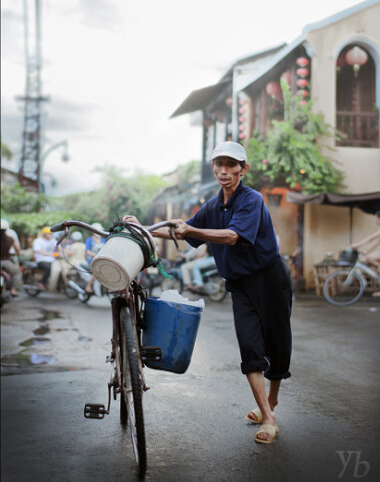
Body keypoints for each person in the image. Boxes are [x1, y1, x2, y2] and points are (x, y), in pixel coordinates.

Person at [123, 141, 292, 445]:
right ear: (213, 167)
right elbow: (182, 229)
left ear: (243, 169)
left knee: (277, 344)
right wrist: (143, 228)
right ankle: (268, 417)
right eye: (219, 165)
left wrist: (190, 231)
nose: (224, 171)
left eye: (231, 165)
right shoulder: (213, 206)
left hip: (270, 280)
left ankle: (272, 401)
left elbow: (231, 236)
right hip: (240, 285)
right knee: (250, 347)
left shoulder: (252, 199)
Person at [351, 210, 380, 300]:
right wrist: (367, 251)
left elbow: (372, 237)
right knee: (369, 258)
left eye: (376, 219)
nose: (375, 221)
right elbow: (377, 243)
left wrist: (358, 244)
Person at [1, 219, 22, 296]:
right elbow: (18, 250)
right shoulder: (10, 239)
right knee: (17, 272)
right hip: (7, 262)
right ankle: (13, 290)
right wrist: (14, 254)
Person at [32, 227, 56, 291]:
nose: (50, 235)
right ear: (45, 234)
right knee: (48, 268)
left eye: (51, 234)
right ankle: (42, 283)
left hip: (52, 260)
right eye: (49, 233)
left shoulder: (53, 241)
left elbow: (58, 247)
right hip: (41, 260)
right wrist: (47, 254)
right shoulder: (38, 240)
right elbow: (37, 250)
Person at [84, 223, 105, 294]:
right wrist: (95, 255)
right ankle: (88, 285)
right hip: (91, 260)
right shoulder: (89, 240)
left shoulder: (103, 240)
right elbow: (87, 251)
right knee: (96, 270)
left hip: (101, 259)